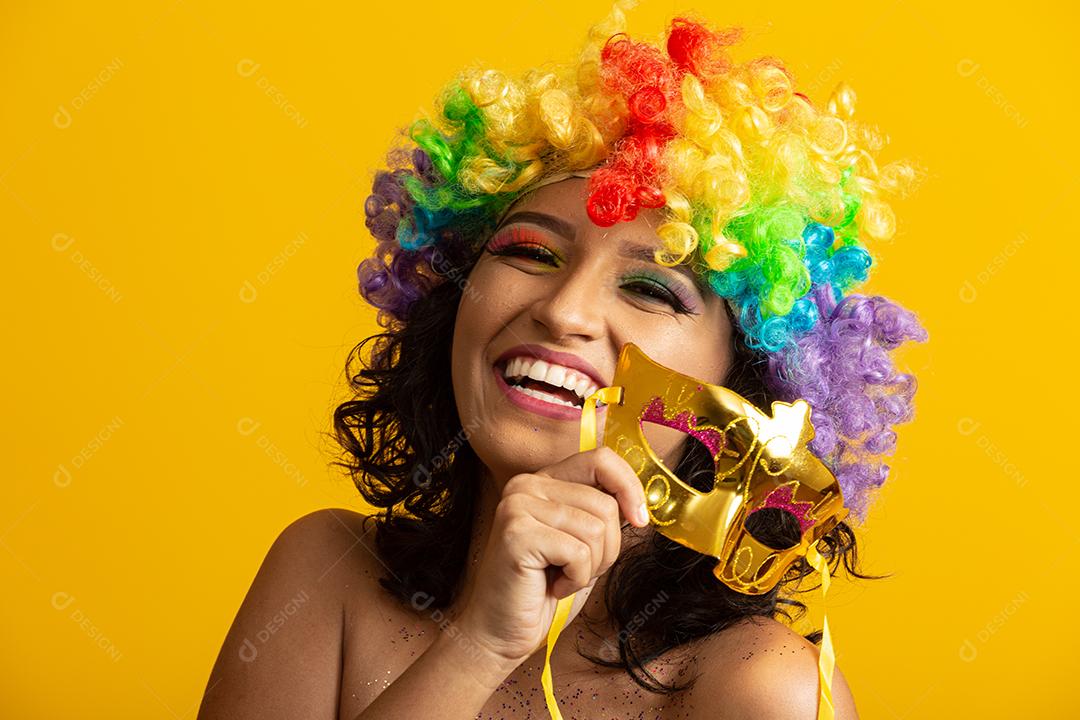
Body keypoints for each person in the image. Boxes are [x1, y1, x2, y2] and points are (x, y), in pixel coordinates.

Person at [197, 3, 926, 718]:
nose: (564, 310)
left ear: (746, 386)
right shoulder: (327, 576)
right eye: (529, 252)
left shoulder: (761, 690)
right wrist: (481, 647)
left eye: (650, 288)